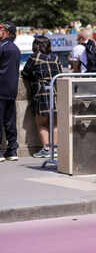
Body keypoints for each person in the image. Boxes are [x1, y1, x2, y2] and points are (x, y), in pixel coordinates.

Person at [21, 36, 62, 158]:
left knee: (41, 122)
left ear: (36, 46)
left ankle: (46, 149)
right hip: (56, 92)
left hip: (42, 92)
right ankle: (55, 149)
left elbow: (25, 73)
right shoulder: (55, 58)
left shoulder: (34, 57)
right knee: (54, 123)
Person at [0, 22, 21, 162]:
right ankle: (12, 150)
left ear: (6, 33)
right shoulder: (16, 49)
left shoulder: (1, 47)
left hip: (0, 88)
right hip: (11, 89)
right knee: (10, 121)